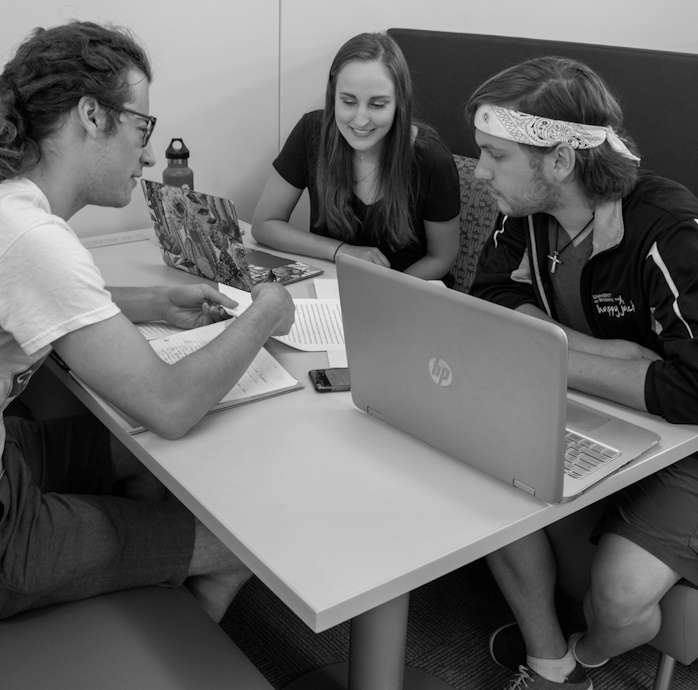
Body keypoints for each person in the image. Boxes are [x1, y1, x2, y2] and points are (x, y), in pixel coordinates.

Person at [0, 21, 295, 622]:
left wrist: (154, 305)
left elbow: (39, 298)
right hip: (8, 533)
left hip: (11, 455)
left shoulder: (13, 206)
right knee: (248, 549)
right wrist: (265, 309)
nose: (152, 153)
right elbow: (169, 406)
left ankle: (144, 575)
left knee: (133, 454)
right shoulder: (33, 237)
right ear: (92, 114)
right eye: (143, 127)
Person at [466, 56, 698, 690]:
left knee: (621, 601)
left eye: (494, 155)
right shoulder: (523, 210)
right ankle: (553, 665)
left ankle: (590, 651)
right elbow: (488, 297)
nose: (480, 171)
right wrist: (594, 355)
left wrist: (555, 357)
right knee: (466, 458)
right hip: (600, 402)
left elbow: (691, 389)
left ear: (560, 159)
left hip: (688, 440)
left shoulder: (667, 228)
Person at [251, 32, 461, 285]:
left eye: (378, 105)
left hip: (406, 292)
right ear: (333, 96)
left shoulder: (431, 159)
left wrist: (388, 289)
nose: (360, 120)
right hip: (333, 287)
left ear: (399, 103)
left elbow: (442, 256)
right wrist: (341, 251)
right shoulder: (311, 132)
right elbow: (265, 224)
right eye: (348, 101)